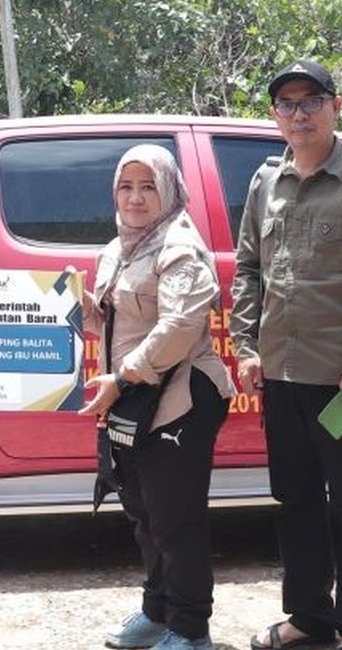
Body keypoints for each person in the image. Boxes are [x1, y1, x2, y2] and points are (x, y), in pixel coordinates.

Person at [230, 60, 342, 650]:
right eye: (287, 103)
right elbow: (249, 269)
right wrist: (247, 346)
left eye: (312, 100)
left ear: (337, 106)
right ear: (275, 114)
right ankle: (308, 617)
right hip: (281, 376)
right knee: (296, 500)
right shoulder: (265, 181)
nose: (300, 113)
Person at [78, 144, 235, 650]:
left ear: (168, 190)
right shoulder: (119, 247)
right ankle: (157, 611)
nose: (136, 197)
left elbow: (178, 328)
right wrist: (68, 302)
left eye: (148, 186)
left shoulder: (178, 247)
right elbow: (118, 318)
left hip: (181, 397)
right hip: (134, 401)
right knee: (144, 514)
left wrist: (120, 381)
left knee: (176, 519)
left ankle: (191, 629)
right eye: (126, 186)